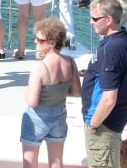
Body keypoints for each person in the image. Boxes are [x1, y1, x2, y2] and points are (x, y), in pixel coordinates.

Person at [82, 0, 127, 168]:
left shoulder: (110, 48)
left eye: (94, 18)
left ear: (108, 20)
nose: (91, 22)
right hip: (117, 118)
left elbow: (109, 98)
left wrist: (93, 125)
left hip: (103, 124)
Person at [21, 18, 81, 168]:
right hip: (59, 114)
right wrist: (56, 93)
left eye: (40, 40)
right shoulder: (70, 62)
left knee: (30, 162)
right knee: (56, 162)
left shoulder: (39, 67)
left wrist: (25, 91)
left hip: (37, 118)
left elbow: (32, 102)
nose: (35, 41)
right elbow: (76, 92)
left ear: (52, 43)